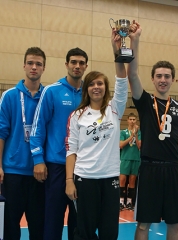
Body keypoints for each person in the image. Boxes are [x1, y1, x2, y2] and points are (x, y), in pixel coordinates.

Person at [127, 21, 178, 240]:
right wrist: (135, 40)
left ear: (173, 79)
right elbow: (132, 74)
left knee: (175, 225)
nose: (163, 80)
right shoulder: (145, 101)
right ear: (152, 79)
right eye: (158, 76)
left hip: (173, 171)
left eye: (167, 76)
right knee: (142, 225)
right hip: (149, 170)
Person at [65, 27, 129, 240]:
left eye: (100, 83)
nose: (96, 87)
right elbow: (71, 150)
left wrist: (116, 50)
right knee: (84, 231)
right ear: (86, 89)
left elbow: (122, 80)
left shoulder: (114, 109)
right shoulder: (77, 115)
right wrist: (69, 180)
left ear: (105, 87)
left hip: (109, 179)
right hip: (85, 179)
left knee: (109, 232)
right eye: (91, 83)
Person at [30, 47, 88, 240]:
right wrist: (38, 159)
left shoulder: (90, 94)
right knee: (52, 220)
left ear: (86, 66)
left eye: (81, 63)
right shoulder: (51, 91)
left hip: (82, 168)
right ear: (66, 65)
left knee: (78, 222)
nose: (77, 66)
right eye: (73, 62)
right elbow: (38, 128)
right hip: (56, 167)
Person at [0, 47, 46, 240]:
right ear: (24, 65)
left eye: (38, 64)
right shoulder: (10, 96)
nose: (34, 67)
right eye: (30, 63)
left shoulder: (48, 96)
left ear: (44, 68)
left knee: (38, 227)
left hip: (41, 173)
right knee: (10, 227)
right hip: (13, 173)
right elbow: (1, 132)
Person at [119, 112, 141, 211]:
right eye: (130, 119)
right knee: (122, 180)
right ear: (127, 120)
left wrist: (135, 135)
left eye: (134, 119)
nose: (132, 121)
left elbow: (139, 146)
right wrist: (131, 136)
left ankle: (129, 203)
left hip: (136, 159)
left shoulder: (140, 133)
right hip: (125, 158)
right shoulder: (123, 132)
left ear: (136, 121)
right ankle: (120, 202)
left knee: (132, 181)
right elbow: (121, 145)